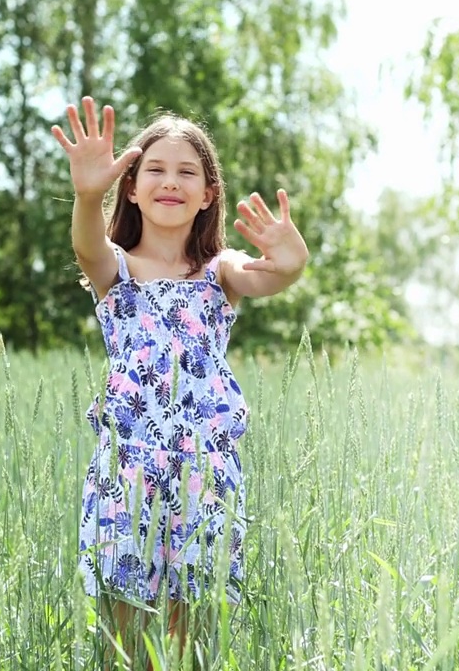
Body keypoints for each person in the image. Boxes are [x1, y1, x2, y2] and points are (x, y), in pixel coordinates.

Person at [52, 97, 309, 668]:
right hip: (128, 472)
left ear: (208, 193)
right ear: (134, 190)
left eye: (187, 171)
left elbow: (268, 276)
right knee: (126, 641)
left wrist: (291, 262)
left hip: (204, 474)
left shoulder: (220, 272)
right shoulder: (114, 269)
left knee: (192, 638)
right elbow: (85, 243)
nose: (171, 182)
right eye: (156, 171)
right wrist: (88, 192)